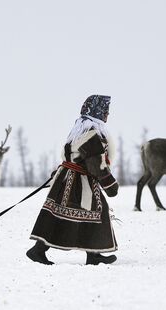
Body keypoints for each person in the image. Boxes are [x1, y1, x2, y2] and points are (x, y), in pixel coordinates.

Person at [27, 95, 119, 265]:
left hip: (67, 179)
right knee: (97, 212)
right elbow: (96, 164)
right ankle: (40, 250)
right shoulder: (92, 134)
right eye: (105, 112)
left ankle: (41, 250)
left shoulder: (78, 131)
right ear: (98, 113)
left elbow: (70, 157)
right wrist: (110, 185)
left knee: (59, 215)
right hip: (80, 182)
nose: (107, 116)